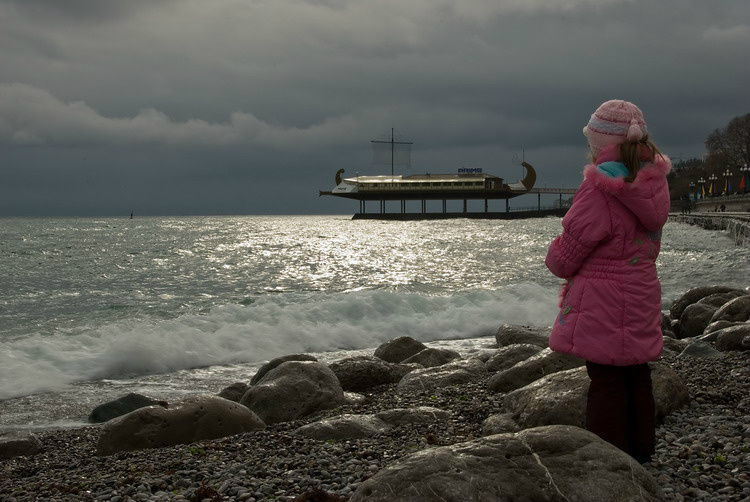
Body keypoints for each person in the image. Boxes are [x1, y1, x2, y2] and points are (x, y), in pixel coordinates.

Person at [545, 99, 671, 463]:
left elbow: (567, 254)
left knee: (604, 379)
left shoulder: (601, 187)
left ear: (600, 144)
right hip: (642, 289)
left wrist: (553, 258)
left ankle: (610, 461)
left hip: (603, 297)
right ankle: (642, 452)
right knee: (636, 373)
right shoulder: (654, 183)